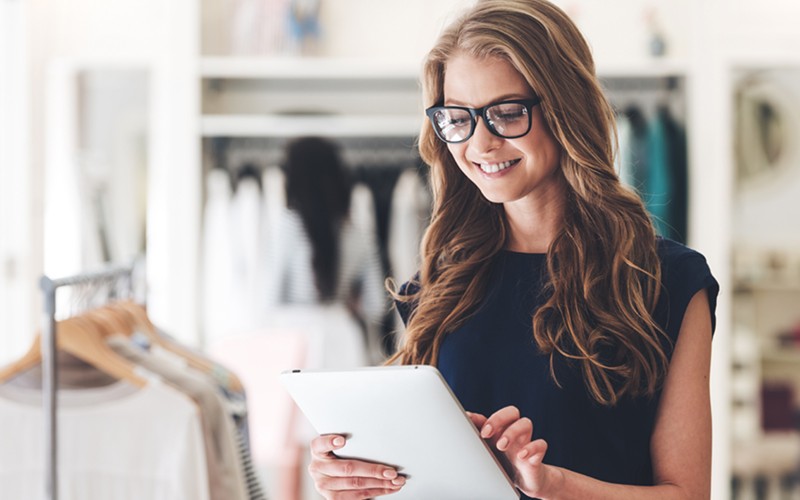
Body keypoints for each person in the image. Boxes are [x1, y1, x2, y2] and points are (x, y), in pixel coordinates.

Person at [307, 1, 719, 499]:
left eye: (505, 113)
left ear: (565, 108)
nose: (480, 144)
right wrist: (355, 474)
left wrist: (552, 485)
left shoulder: (667, 281)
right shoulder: (437, 286)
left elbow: (686, 494)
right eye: (457, 118)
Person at [264, 136, 386, 366]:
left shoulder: (288, 226)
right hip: (345, 341)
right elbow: (376, 305)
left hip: (297, 346)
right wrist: (345, 306)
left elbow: (270, 302)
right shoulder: (357, 231)